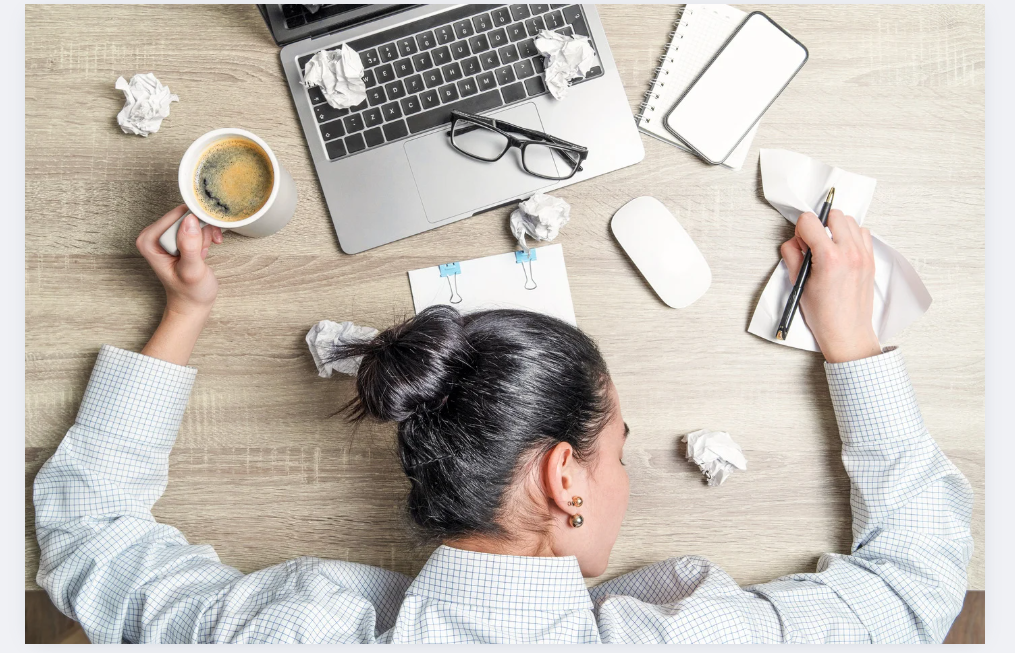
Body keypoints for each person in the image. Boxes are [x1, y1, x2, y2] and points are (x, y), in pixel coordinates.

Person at [34, 205, 972, 644]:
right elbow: (917, 581)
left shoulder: (292, 632)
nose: (625, 477)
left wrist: (186, 312)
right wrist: (849, 338)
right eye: (617, 451)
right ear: (564, 479)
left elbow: (87, 535)